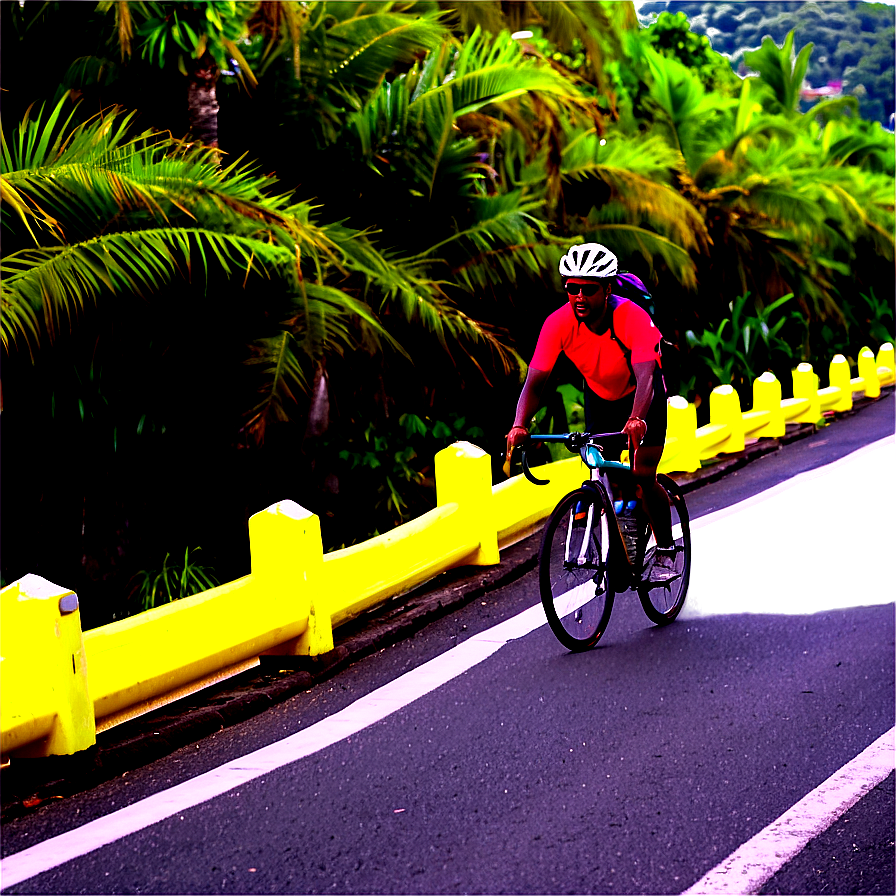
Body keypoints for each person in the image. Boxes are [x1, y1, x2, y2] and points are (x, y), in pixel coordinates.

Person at [505, 241, 679, 581]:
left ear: (607, 288)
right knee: (605, 470)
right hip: (601, 397)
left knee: (643, 475)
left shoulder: (631, 316)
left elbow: (646, 374)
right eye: (572, 289)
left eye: (589, 289)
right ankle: (625, 531)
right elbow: (536, 380)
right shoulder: (557, 323)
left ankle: (666, 551)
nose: (579, 297)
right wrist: (519, 424)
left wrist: (637, 417)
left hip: (643, 397)